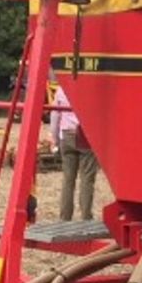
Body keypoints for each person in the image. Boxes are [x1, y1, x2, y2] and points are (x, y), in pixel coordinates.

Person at [49, 83, 98, 221]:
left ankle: (65, 216)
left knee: (68, 179)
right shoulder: (89, 86)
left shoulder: (61, 88)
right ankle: (86, 216)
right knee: (87, 179)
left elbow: (55, 114)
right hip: (85, 133)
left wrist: (55, 138)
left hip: (66, 133)